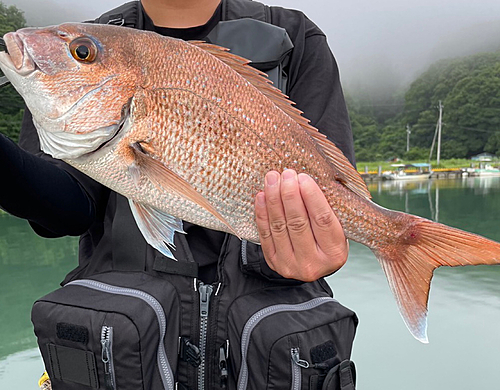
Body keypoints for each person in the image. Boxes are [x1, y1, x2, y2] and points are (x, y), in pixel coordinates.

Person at [0, 0, 358, 388]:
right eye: (82, 53)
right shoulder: (97, 36)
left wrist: (323, 245)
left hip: (263, 363)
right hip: (123, 359)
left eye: (81, 54)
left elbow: (334, 195)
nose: (70, 52)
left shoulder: (296, 37)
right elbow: (68, 210)